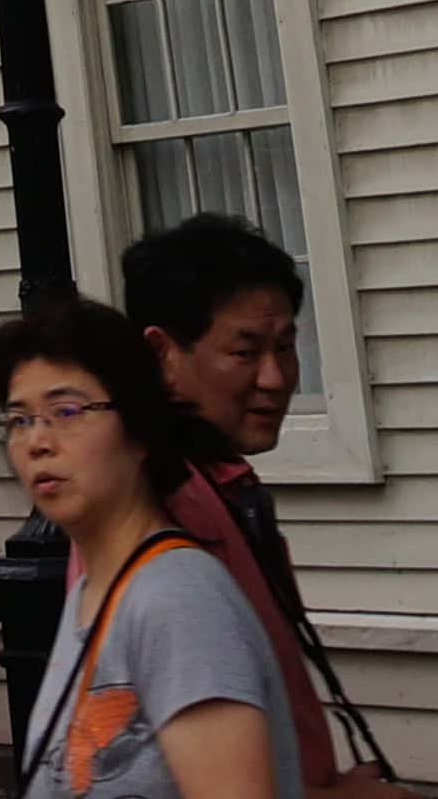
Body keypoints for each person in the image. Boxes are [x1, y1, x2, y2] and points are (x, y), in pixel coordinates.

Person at [0, 294, 295, 799]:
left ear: (140, 427)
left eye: (66, 411)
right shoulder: (95, 589)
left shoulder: (178, 599)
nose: (37, 441)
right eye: (20, 419)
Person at [121, 217, 392, 790]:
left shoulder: (223, 488)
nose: (276, 378)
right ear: (162, 354)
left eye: (287, 348)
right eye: (245, 352)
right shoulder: (155, 514)